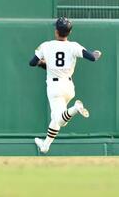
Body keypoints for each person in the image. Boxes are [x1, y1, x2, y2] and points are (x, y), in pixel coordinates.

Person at [29, 17, 102, 154]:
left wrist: (43, 63)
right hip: (68, 87)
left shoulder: (46, 45)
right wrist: (95, 55)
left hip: (55, 88)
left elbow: (32, 62)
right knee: (57, 119)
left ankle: (75, 108)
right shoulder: (74, 46)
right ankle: (45, 146)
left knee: (60, 119)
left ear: (56, 31)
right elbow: (92, 57)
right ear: (69, 32)